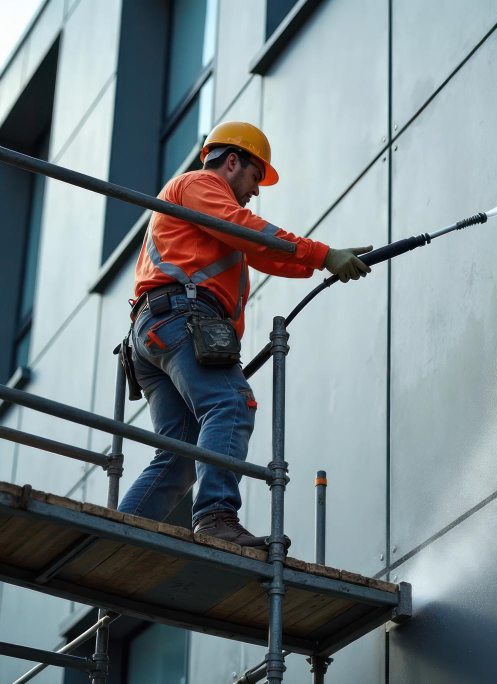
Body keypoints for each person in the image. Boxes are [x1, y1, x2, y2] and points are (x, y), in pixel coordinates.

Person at [118, 121, 371, 547]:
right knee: (231, 403)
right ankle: (216, 517)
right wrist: (325, 255)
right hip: (181, 319)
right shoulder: (198, 185)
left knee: (180, 454)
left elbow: (264, 253)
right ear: (232, 161)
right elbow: (248, 229)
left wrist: (325, 262)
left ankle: (116, 538)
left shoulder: (210, 220)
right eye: (256, 176)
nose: (256, 190)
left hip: (158, 330)